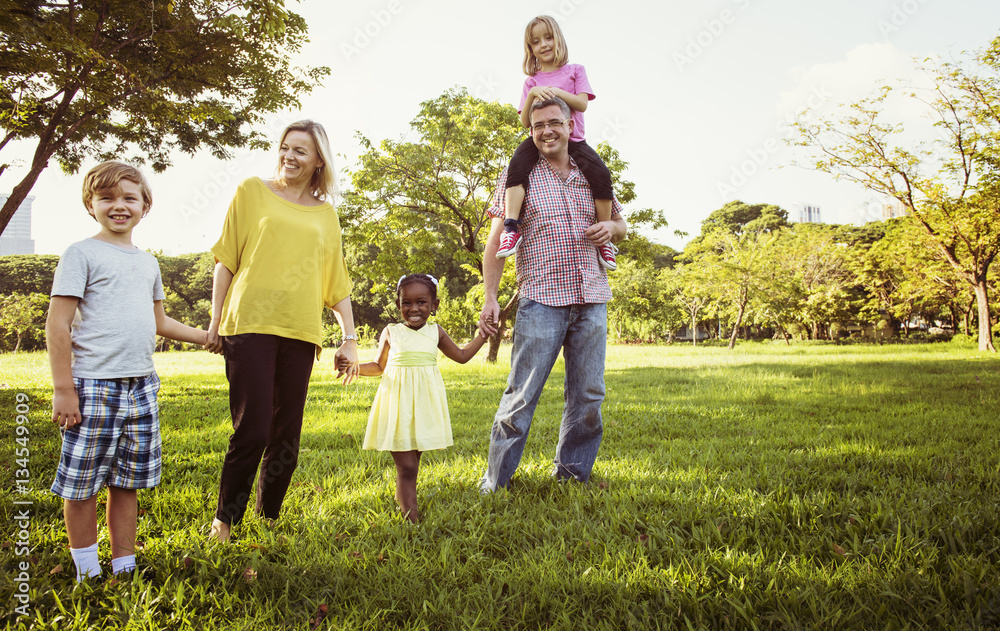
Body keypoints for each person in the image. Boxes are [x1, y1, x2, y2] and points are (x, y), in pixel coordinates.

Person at [46, 161, 208, 582]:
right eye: (107, 198)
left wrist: (209, 337)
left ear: (145, 206)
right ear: (90, 204)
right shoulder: (80, 253)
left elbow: (161, 324)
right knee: (81, 485)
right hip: (92, 385)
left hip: (141, 386)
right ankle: (87, 569)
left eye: (129, 198)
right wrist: (64, 388)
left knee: (127, 482)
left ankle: (124, 564)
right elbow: (57, 324)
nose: (119, 206)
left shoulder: (148, 262)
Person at [204, 120, 360, 542]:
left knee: (286, 436)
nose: (289, 157)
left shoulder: (325, 214)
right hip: (249, 324)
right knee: (251, 430)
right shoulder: (252, 191)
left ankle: (268, 517)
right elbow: (226, 260)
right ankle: (224, 522)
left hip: (300, 330)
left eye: (300, 152)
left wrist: (349, 336)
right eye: (285, 148)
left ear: (318, 161)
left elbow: (336, 282)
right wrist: (216, 320)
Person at [479, 96, 627, 493]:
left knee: (589, 397)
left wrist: (612, 230)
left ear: (569, 125)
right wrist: (490, 297)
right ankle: (495, 482)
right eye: (538, 125)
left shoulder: (592, 172)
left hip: (592, 296)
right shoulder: (519, 176)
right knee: (521, 397)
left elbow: (620, 221)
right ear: (531, 131)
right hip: (541, 300)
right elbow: (495, 242)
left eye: (554, 123)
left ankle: (572, 477)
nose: (546, 131)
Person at [340, 274, 487, 523]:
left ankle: (408, 508)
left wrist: (483, 335)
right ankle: (412, 522)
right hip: (397, 406)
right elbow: (378, 366)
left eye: (421, 302)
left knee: (412, 466)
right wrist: (352, 366)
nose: (414, 309)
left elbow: (461, 356)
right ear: (399, 305)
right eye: (406, 303)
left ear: (434, 305)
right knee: (406, 466)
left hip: (423, 407)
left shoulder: (435, 332)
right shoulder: (391, 332)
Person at [496, 15, 618, 271]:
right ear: (530, 49)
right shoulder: (531, 82)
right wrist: (532, 94)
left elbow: (582, 103)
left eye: (548, 38)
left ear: (558, 39)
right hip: (540, 139)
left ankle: (603, 239)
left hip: (573, 139)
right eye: (535, 42)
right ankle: (511, 227)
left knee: (601, 174)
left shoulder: (575, 71)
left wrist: (556, 92)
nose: (543, 45)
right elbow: (524, 123)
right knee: (516, 168)